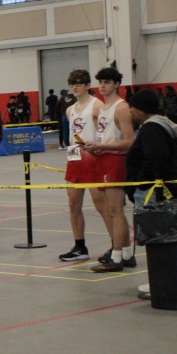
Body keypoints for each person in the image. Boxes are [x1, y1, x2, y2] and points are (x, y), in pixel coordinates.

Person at [126, 89, 177, 301]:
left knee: (159, 236)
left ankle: (162, 281)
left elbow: (154, 160)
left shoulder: (152, 128)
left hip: (157, 190)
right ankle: (165, 278)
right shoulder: (162, 125)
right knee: (167, 235)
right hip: (168, 185)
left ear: (142, 109)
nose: (130, 111)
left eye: (132, 107)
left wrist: (139, 184)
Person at [82, 68, 136, 273]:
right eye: (100, 82)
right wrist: (96, 146)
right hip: (103, 158)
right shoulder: (103, 107)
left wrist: (103, 146)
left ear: (116, 84)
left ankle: (117, 256)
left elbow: (129, 140)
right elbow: (104, 136)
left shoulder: (121, 108)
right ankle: (126, 254)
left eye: (107, 82)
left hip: (115, 160)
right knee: (110, 209)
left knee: (115, 210)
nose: (102, 86)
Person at [59, 69, 104, 262]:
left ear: (87, 85)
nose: (75, 87)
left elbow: (105, 130)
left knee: (101, 205)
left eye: (78, 83)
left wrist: (100, 148)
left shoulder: (97, 105)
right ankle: (79, 246)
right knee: (73, 203)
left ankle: (117, 247)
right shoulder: (70, 110)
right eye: (72, 84)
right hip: (74, 157)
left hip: (93, 158)